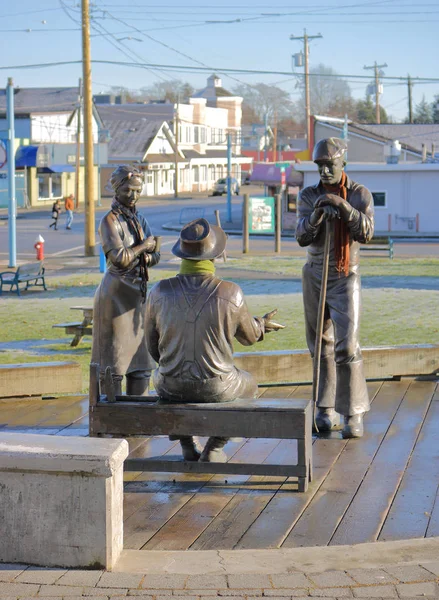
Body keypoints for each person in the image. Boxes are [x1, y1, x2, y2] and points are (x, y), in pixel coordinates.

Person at [146, 218, 285, 463]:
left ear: (182, 255)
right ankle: (215, 447)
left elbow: (152, 346)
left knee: (161, 377)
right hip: (217, 386)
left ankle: (187, 444)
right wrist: (261, 325)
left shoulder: (159, 291)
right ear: (215, 256)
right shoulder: (230, 292)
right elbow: (249, 337)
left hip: (169, 384)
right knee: (250, 384)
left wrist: (171, 366)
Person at [296, 137, 374, 439]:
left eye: (330, 164)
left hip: (346, 275)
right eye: (320, 165)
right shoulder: (308, 195)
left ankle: (352, 411)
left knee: (348, 345)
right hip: (315, 274)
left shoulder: (359, 194)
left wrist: (344, 208)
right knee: (320, 345)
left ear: (343, 163)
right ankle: (324, 409)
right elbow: (301, 236)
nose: (325, 170)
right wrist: (316, 216)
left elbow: (367, 233)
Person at [91, 165, 160, 396]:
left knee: (141, 366)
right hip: (115, 297)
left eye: (138, 191)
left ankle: (138, 421)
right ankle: (110, 417)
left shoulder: (140, 218)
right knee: (113, 364)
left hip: (138, 297)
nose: (133, 196)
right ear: (117, 189)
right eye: (129, 190)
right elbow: (119, 259)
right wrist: (144, 248)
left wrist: (145, 254)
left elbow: (156, 254)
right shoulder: (108, 221)